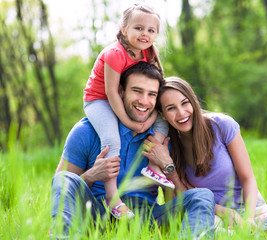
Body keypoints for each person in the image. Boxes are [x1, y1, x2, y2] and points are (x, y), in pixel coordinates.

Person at [51, 62, 215, 239]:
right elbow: (62, 188)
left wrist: (167, 166)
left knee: (202, 196)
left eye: (151, 94)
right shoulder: (87, 131)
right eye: (137, 91)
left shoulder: (164, 137)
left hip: (147, 219)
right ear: (121, 92)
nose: (144, 101)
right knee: (65, 178)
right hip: (97, 217)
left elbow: (173, 198)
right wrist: (92, 175)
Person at [142, 77, 267, 233]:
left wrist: (247, 220)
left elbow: (247, 178)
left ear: (193, 101)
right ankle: (266, 234)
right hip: (212, 217)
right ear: (163, 115)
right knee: (209, 229)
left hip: (253, 212)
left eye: (185, 103)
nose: (181, 113)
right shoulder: (168, 145)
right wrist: (168, 169)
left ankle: (248, 234)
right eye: (171, 108)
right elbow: (178, 203)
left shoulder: (222, 126)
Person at [82, 3, 174, 219]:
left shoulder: (149, 51)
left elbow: (158, 83)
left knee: (163, 119)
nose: (145, 34)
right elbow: (112, 93)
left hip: (128, 98)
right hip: (99, 100)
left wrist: (154, 114)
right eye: (139, 28)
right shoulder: (115, 53)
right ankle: (112, 198)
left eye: (151, 30)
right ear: (125, 29)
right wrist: (132, 123)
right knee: (112, 139)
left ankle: (153, 165)